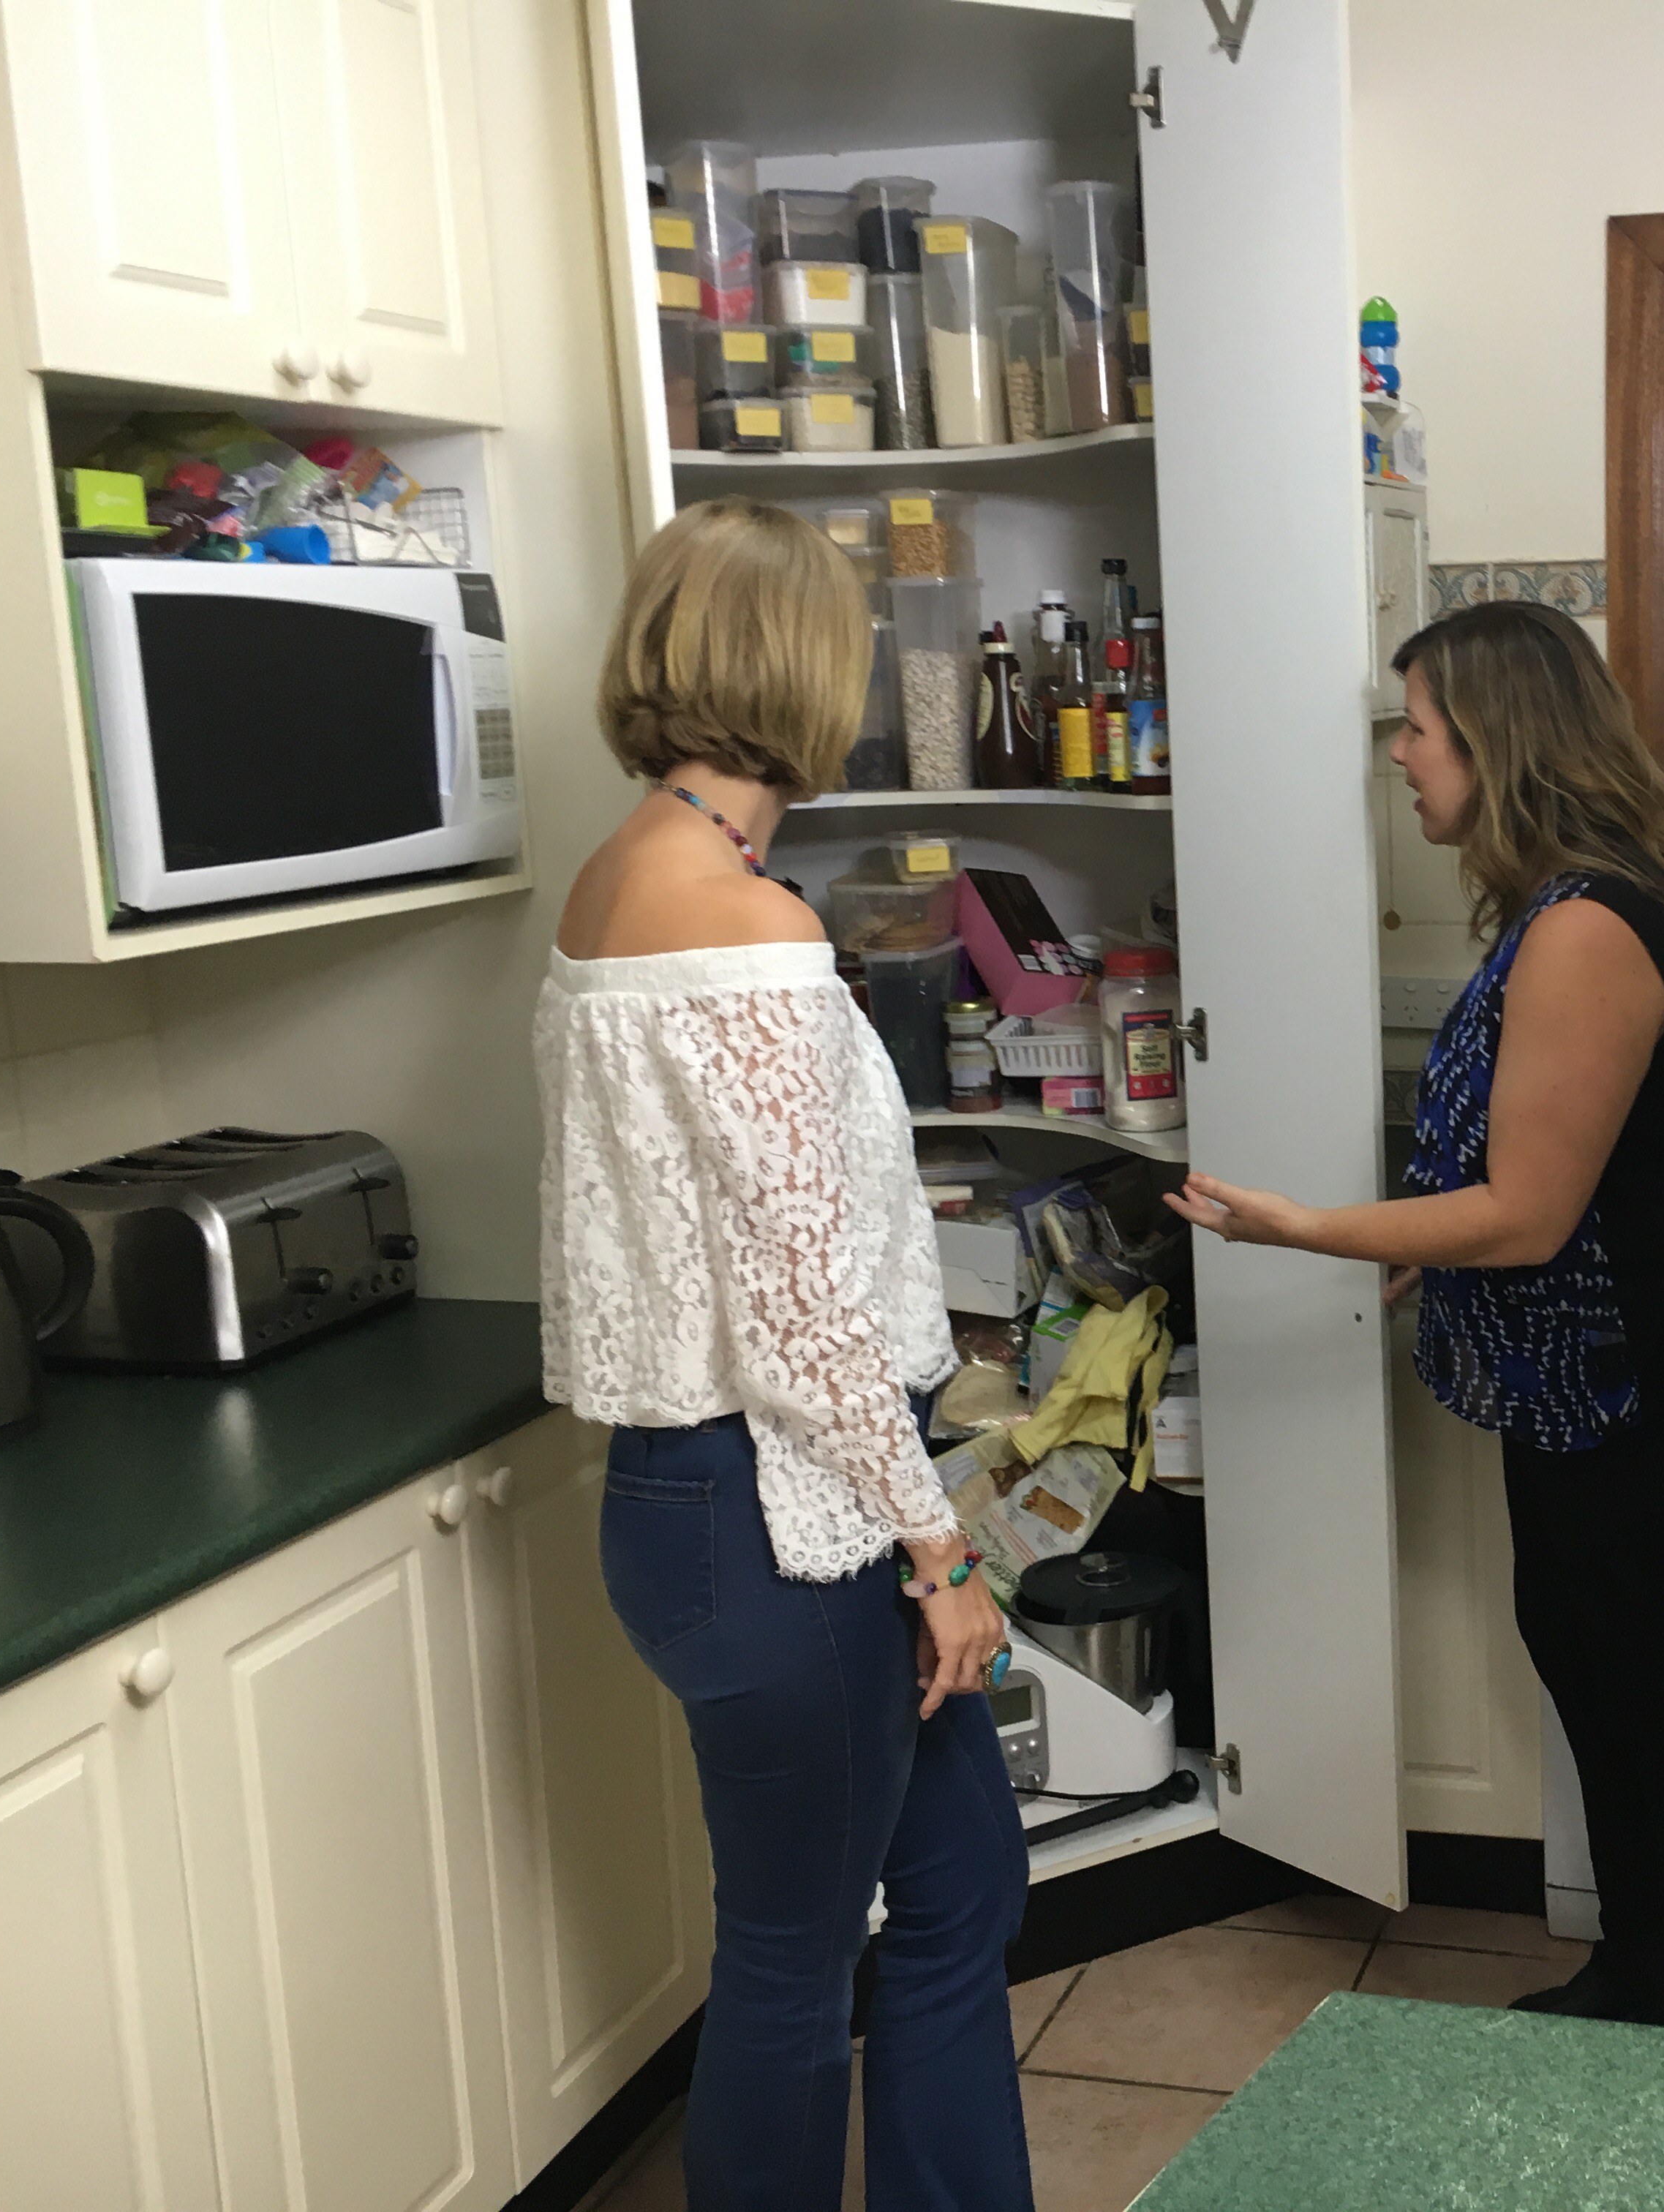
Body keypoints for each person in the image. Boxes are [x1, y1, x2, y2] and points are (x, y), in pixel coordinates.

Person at [1165, 602, 1664, 2032]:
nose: (1401, 756)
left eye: (1421, 729)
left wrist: (1301, 1227)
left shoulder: (1588, 929)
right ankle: (1643, 1973)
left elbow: (1526, 1213)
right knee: (1598, 1658)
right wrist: (1424, 1252)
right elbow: (1536, 1170)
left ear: (1500, 744)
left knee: (1650, 1683)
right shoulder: (1575, 906)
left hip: (1642, 1373)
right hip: (1598, 1364)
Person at [537, 499, 1033, 2208]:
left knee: (960, 1880)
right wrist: (941, 1551)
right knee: (791, 1965)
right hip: (776, 1518)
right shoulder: (745, 929)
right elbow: (805, 1316)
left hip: (715, 1506)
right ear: (808, 678)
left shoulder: (620, 879)